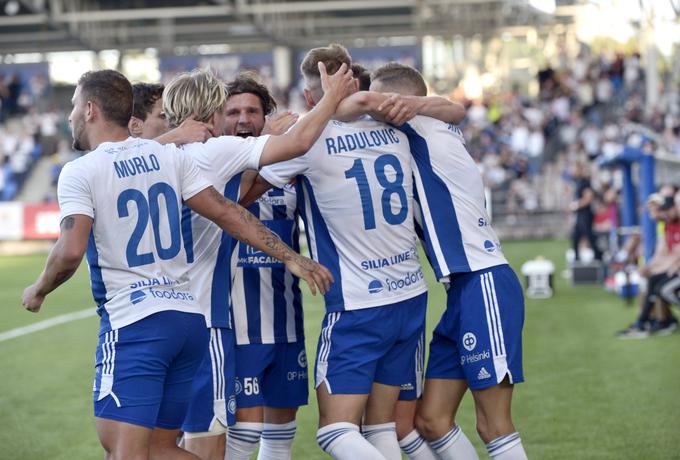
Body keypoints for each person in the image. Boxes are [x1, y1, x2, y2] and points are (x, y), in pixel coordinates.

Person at [21, 69, 333, 460]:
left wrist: (38, 289)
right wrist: (292, 256)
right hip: (188, 320)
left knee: (125, 451)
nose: (68, 116)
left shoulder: (81, 170)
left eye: (71, 107)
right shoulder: (167, 156)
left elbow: (69, 251)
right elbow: (227, 212)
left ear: (90, 110)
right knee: (159, 448)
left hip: (136, 322)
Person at [240, 44, 463, 460]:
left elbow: (240, 195)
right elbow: (451, 111)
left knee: (335, 429)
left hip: (359, 304)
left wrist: (270, 139)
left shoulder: (307, 139)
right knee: (381, 426)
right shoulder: (397, 129)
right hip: (410, 296)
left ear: (316, 96)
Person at [159, 65, 354, 460]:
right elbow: (296, 143)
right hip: (204, 321)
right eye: (226, 110)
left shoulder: (156, 157)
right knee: (204, 446)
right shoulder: (212, 151)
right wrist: (331, 98)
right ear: (212, 112)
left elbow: (235, 204)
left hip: (155, 320)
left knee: (151, 443)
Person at [370, 62, 528, 460]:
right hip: (461, 290)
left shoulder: (419, 125)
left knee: (493, 424)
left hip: (484, 279)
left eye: (381, 100)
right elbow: (451, 108)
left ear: (397, 102)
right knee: (431, 420)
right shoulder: (425, 127)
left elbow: (446, 106)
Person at [218, 75, 306, 460]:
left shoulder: (291, 171)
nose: (242, 119)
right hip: (237, 326)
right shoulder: (213, 166)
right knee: (245, 432)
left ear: (266, 114)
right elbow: (235, 199)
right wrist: (264, 142)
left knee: (281, 434)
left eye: (252, 111)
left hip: (286, 320)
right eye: (233, 111)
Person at [618, 193, 680, 338]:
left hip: (674, 270)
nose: (654, 214)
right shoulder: (666, 226)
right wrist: (650, 268)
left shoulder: (670, 225)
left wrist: (654, 268)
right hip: (670, 269)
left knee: (662, 289)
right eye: (650, 210)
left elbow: (672, 256)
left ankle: (662, 321)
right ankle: (645, 321)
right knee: (650, 284)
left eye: (656, 209)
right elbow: (663, 255)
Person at [128, 82, 214, 144]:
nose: (174, 121)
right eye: (164, 116)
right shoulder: (116, 160)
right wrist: (179, 135)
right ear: (135, 125)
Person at [570, 163, 602, 262]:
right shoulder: (578, 182)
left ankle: (598, 255)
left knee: (588, 236)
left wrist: (576, 205)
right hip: (580, 215)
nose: (573, 172)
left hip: (585, 215)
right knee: (576, 237)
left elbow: (588, 198)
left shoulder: (585, 182)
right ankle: (577, 258)